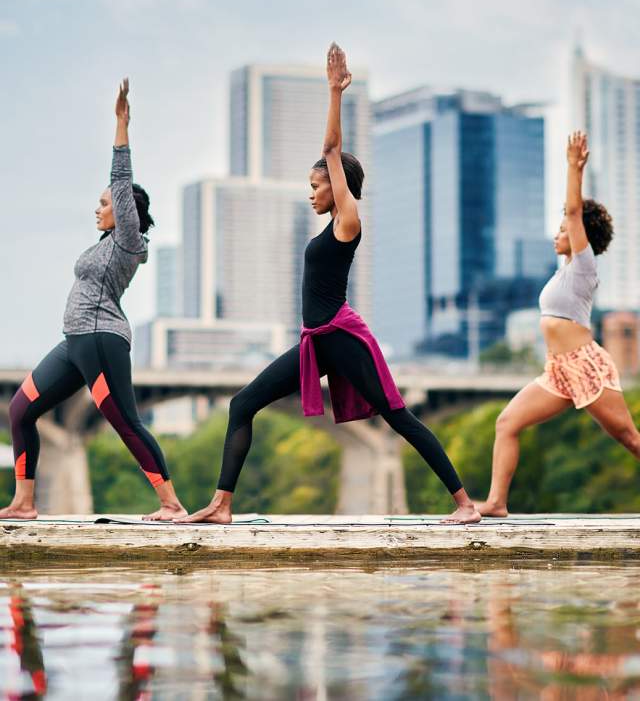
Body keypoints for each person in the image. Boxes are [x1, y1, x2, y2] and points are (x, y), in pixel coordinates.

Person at [179, 43, 481, 525]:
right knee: (244, 403)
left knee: (398, 417)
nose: (311, 190)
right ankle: (221, 504)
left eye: (317, 184)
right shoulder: (327, 229)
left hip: (341, 337)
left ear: (337, 186)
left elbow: (332, 151)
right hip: (314, 341)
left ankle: (465, 505)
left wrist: (334, 92)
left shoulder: (348, 221)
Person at [0, 80, 186, 521]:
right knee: (21, 409)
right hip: (75, 341)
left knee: (125, 421)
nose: (97, 207)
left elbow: (121, 181)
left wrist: (121, 125)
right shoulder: (104, 244)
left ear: (123, 212)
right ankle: (25, 502)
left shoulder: (127, 242)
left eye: (104, 203)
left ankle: (172, 504)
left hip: (101, 339)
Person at [475, 131, 638, 517]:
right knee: (507, 422)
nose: (558, 232)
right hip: (558, 371)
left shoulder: (584, 266)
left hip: (584, 365)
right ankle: (497, 503)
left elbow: (574, 212)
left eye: (564, 229)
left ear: (582, 237)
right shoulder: (563, 273)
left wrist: (572, 167)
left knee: (629, 437)